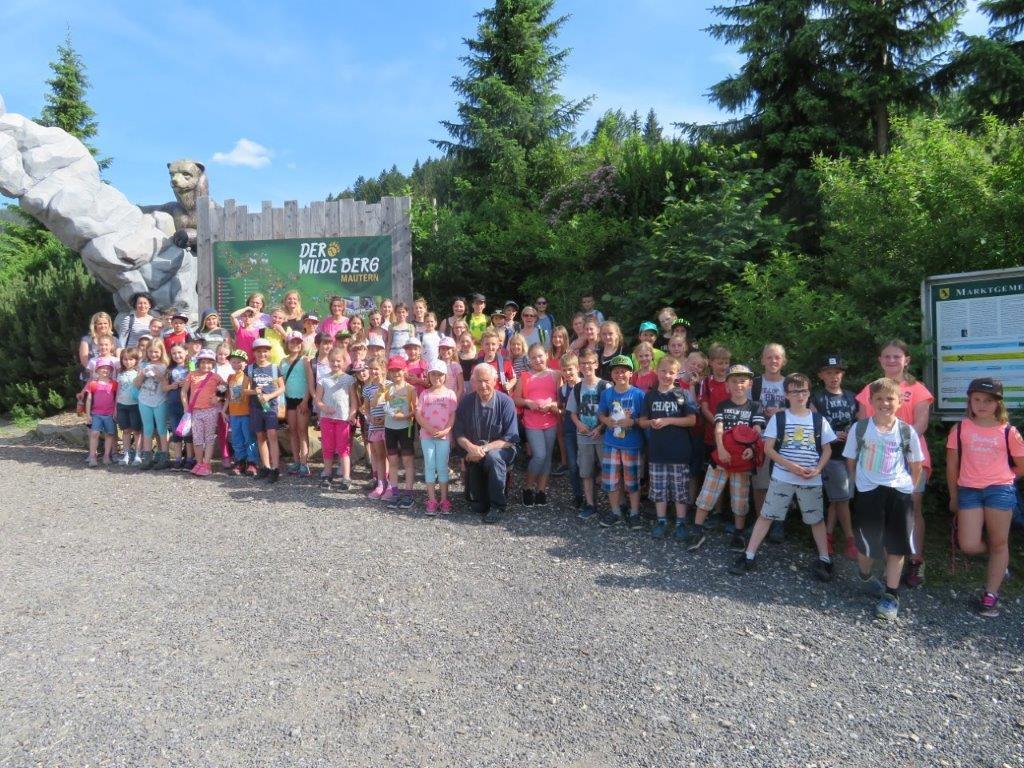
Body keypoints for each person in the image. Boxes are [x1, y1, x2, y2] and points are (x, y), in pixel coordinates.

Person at [730, 373, 836, 580]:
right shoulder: (779, 419)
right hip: (783, 477)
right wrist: (791, 467)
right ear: (786, 395)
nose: (800, 395)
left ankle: (825, 559)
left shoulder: (818, 420)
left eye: (803, 391)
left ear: (809, 393)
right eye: (795, 392)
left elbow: (827, 449)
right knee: (767, 515)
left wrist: (818, 469)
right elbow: (768, 449)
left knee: (816, 519)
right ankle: (749, 555)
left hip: (811, 479)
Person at [843, 377, 924, 621]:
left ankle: (891, 594)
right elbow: (850, 460)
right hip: (868, 491)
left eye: (890, 398)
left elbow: (916, 465)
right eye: (879, 398)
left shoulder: (906, 431)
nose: (885, 403)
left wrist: (907, 487)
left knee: (897, 546)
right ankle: (865, 575)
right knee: (867, 545)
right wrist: (860, 482)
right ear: (870, 401)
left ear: (899, 402)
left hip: (899, 492)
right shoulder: (860, 429)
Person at [855, 339, 933, 588]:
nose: (891, 360)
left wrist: (897, 446)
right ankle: (888, 566)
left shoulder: (918, 389)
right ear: (880, 360)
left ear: (906, 360)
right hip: (876, 462)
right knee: (881, 511)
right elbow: (862, 422)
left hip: (911, 458)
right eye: (886, 356)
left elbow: (921, 424)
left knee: (912, 508)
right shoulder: (870, 388)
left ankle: (916, 560)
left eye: (896, 356)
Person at [946, 378, 1024, 618]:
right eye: (977, 399)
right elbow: (952, 466)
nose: (981, 405)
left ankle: (991, 593)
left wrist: (1005, 477)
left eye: (988, 401)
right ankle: (1000, 561)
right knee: (968, 544)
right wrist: (953, 496)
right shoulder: (960, 429)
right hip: (969, 490)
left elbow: (1021, 465)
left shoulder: (1009, 431)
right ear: (969, 401)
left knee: (999, 543)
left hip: (999, 490)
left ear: (998, 403)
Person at [688, 364, 766, 551]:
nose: (738, 385)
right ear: (727, 385)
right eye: (734, 381)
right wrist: (721, 449)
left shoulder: (755, 406)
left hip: (743, 460)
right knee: (707, 493)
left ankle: (738, 534)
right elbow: (718, 428)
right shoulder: (723, 405)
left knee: (740, 498)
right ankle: (697, 530)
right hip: (721, 457)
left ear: (749, 384)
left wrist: (753, 448)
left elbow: (757, 430)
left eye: (743, 381)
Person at [640, 356, 698, 539]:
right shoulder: (650, 396)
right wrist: (651, 422)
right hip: (657, 451)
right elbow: (641, 422)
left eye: (671, 372)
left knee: (680, 489)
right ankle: (661, 520)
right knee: (658, 488)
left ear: (677, 374)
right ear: (657, 371)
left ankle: (681, 522)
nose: (666, 375)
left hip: (679, 451)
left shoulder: (683, 394)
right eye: (663, 371)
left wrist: (667, 420)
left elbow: (692, 420)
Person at [453, 364, 520, 524]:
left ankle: (498, 506)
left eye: (487, 380)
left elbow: (510, 438)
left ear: (495, 381)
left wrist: (482, 449)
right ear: (473, 382)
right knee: (479, 507)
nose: (483, 385)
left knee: (494, 457)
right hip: (474, 451)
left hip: (501, 450)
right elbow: (459, 433)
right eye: (479, 381)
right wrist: (470, 448)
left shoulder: (506, 402)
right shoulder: (466, 402)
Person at [811, 355, 859, 560]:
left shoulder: (852, 397)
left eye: (837, 372)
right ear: (821, 375)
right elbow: (813, 425)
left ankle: (828, 536)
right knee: (842, 499)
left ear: (843, 374)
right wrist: (830, 434)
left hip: (850, 455)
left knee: (837, 499)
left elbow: (860, 422)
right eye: (829, 373)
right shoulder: (817, 398)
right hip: (830, 455)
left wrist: (851, 433)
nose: (833, 377)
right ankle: (850, 540)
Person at [597, 355, 647, 529]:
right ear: (611, 375)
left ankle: (634, 513)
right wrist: (606, 421)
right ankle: (615, 511)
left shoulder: (639, 394)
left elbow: (645, 419)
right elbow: (601, 413)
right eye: (616, 372)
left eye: (624, 371)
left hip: (632, 444)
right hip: (611, 443)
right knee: (611, 480)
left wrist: (632, 421)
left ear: (631, 374)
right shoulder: (607, 393)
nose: (620, 375)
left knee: (632, 481)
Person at [514, 344, 561, 506]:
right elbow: (516, 399)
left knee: (547, 458)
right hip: (532, 422)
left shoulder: (555, 375)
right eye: (533, 357)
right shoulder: (525, 376)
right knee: (539, 455)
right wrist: (528, 402)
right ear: (529, 360)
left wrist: (552, 404)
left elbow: (562, 399)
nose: (537, 360)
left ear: (546, 355)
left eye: (540, 356)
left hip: (550, 420)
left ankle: (541, 490)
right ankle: (527, 487)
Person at [751, 343, 789, 540]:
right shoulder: (755, 383)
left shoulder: (790, 384)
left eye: (777, 357)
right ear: (762, 360)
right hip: (760, 438)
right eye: (769, 357)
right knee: (760, 483)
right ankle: (761, 520)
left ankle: (778, 523)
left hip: (785, 440)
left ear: (784, 361)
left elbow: (802, 409)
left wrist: (780, 411)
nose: (773, 361)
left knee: (782, 482)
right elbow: (746, 407)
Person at [567, 349, 609, 520]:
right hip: (583, 435)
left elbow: (612, 412)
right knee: (586, 471)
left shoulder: (605, 386)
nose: (586, 367)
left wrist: (600, 427)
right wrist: (579, 424)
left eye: (589, 363)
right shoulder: (577, 388)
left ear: (596, 364)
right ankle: (590, 504)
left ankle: (616, 505)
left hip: (603, 435)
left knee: (609, 470)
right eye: (583, 364)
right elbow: (572, 413)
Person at [416, 360, 459, 515]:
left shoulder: (450, 394)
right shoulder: (425, 394)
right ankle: (432, 499)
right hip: (426, 436)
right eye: (433, 374)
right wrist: (429, 429)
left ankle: (444, 499)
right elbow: (418, 415)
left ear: (445, 376)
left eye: (440, 374)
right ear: (428, 376)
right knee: (429, 466)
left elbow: (452, 414)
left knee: (442, 466)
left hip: (443, 437)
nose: (436, 377)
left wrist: (446, 430)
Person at [697, 343, 732, 524]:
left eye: (726, 362)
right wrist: (718, 424)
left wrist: (728, 428)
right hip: (711, 434)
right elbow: (704, 408)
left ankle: (722, 511)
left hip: (731, 435)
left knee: (729, 472)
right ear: (711, 363)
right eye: (719, 362)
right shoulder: (706, 382)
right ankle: (710, 509)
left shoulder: (732, 381)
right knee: (712, 473)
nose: (723, 366)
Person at [315, 347, 357, 491]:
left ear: (344, 361)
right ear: (328, 361)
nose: (335, 363)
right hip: (326, 418)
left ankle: (346, 477)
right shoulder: (323, 379)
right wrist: (324, 408)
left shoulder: (349, 379)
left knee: (343, 448)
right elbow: (318, 399)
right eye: (332, 361)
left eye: (338, 361)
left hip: (343, 419)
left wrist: (352, 414)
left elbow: (354, 400)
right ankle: (327, 474)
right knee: (327, 447)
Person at [245, 338, 285, 483]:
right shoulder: (250, 368)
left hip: (271, 407)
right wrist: (254, 392)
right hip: (256, 407)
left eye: (265, 351)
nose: (262, 354)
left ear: (269, 352)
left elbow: (282, 388)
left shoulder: (274, 368)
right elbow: (244, 390)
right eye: (259, 351)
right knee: (260, 436)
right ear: (254, 353)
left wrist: (269, 396)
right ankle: (266, 467)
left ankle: (275, 468)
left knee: (272, 435)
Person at [180, 349, 224, 477]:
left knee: (209, 438)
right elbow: (183, 391)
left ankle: (207, 464)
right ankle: (199, 463)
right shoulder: (192, 375)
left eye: (209, 362)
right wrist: (185, 406)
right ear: (198, 363)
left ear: (213, 364)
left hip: (211, 410)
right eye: (203, 362)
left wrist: (218, 397)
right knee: (197, 438)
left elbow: (225, 387)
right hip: (195, 411)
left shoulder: (215, 377)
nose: (206, 365)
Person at [382, 356, 417, 509]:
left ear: (405, 370)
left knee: (408, 461)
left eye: (399, 370)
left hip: (405, 428)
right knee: (393, 461)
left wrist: (404, 416)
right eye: (393, 370)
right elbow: (382, 405)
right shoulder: (386, 388)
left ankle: (409, 494)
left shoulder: (411, 389)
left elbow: (416, 410)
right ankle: (394, 492)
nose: (396, 373)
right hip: (389, 428)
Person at [281, 331, 314, 477]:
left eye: (298, 342)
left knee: (302, 431)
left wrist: (306, 400)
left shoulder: (305, 360)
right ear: (287, 344)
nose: (295, 344)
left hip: (302, 400)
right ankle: (296, 461)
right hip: (289, 400)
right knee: (292, 430)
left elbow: (310, 381)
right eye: (292, 342)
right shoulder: (282, 362)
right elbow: (281, 382)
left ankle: (304, 463)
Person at [135, 340, 170, 470]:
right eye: (150, 351)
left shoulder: (166, 366)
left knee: (161, 428)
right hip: (144, 400)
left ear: (161, 352)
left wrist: (161, 377)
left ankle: (164, 456)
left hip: (160, 400)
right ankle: (147, 457)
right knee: (147, 428)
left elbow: (166, 386)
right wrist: (142, 374)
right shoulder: (143, 364)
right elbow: (137, 384)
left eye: (156, 352)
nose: (153, 354)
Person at [223, 349, 258, 476]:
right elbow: (228, 396)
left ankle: (252, 462)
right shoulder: (230, 377)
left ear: (245, 363)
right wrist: (224, 410)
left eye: (239, 362)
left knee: (249, 438)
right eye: (233, 362)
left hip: (246, 413)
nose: (236, 364)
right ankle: (240, 462)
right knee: (236, 439)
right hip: (234, 414)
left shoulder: (248, 377)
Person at [362, 360, 390, 499]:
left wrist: (386, 418)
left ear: (383, 369)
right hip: (375, 426)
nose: (373, 371)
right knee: (379, 456)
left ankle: (390, 485)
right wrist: (370, 418)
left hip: (389, 426)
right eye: (371, 368)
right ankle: (380, 483)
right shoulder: (367, 389)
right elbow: (366, 408)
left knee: (390, 455)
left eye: (376, 369)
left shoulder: (390, 385)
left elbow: (395, 405)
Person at [557, 353, 583, 507]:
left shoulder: (585, 385)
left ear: (577, 368)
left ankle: (589, 495)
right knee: (573, 465)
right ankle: (577, 495)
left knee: (586, 464)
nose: (567, 373)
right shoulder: (562, 389)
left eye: (570, 369)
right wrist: (556, 409)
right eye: (564, 370)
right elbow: (562, 409)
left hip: (585, 429)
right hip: (569, 430)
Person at [163, 343, 192, 470]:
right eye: (174, 353)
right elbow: (164, 388)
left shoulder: (191, 367)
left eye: (179, 352)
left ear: (186, 352)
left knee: (188, 432)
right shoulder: (169, 369)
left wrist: (186, 383)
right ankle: (178, 458)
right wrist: (172, 386)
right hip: (173, 403)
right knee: (176, 432)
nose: (177, 355)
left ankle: (190, 458)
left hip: (187, 404)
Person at [84, 361, 118, 466]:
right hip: (96, 413)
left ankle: (106, 455)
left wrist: (115, 411)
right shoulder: (93, 384)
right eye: (102, 368)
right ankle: (92, 456)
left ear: (111, 371)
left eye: (108, 368)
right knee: (94, 433)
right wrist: (88, 415)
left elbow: (116, 398)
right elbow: (89, 399)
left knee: (109, 434)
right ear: (97, 370)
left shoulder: (114, 384)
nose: (105, 370)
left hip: (109, 414)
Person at [114, 347, 142, 466]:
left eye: (131, 359)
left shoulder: (138, 373)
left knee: (136, 431)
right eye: (125, 359)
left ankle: (138, 455)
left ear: (136, 360)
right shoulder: (120, 373)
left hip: (135, 405)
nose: (128, 362)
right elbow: (118, 390)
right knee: (125, 431)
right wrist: (115, 407)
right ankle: (126, 454)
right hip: (122, 405)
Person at [79, 311, 115, 383]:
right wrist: (97, 376)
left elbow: (119, 359)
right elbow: (84, 361)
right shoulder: (87, 340)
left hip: (110, 379)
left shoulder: (115, 340)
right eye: (100, 324)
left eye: (105, 323)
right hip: (90, 378)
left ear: (109, 324)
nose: (103, 326)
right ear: (95, 325)